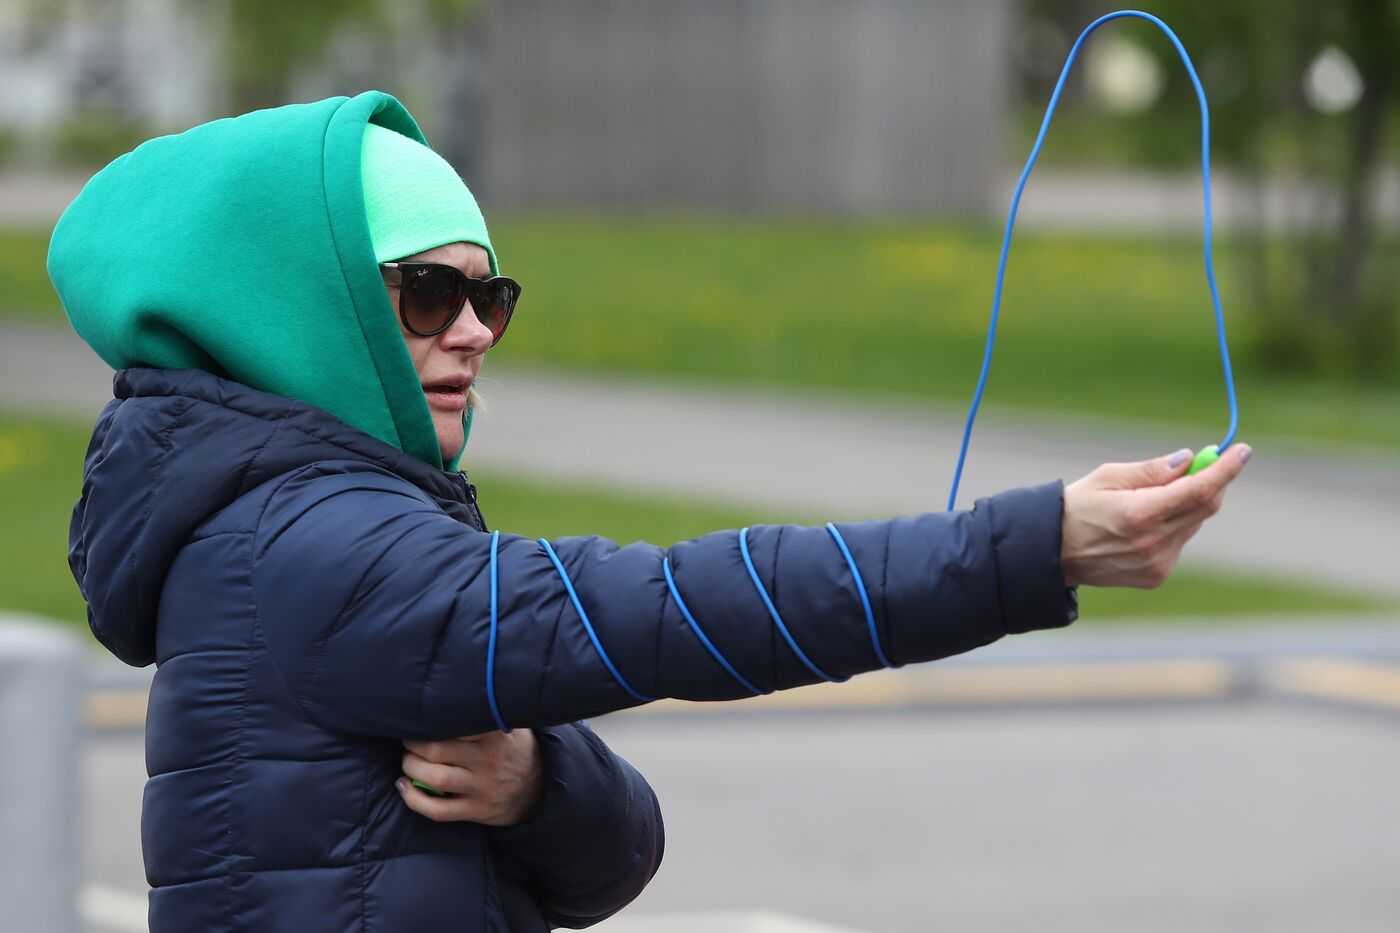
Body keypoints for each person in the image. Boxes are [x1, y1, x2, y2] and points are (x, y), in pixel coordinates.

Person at [49, 91, 1248, 932]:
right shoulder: (308, 548)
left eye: (488, 295)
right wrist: (1029, 547)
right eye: (425, 293)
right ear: (305, 314)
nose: (472, 330)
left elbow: (610, 864)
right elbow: (670, 607)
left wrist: (531, 785)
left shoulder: (332, 529)